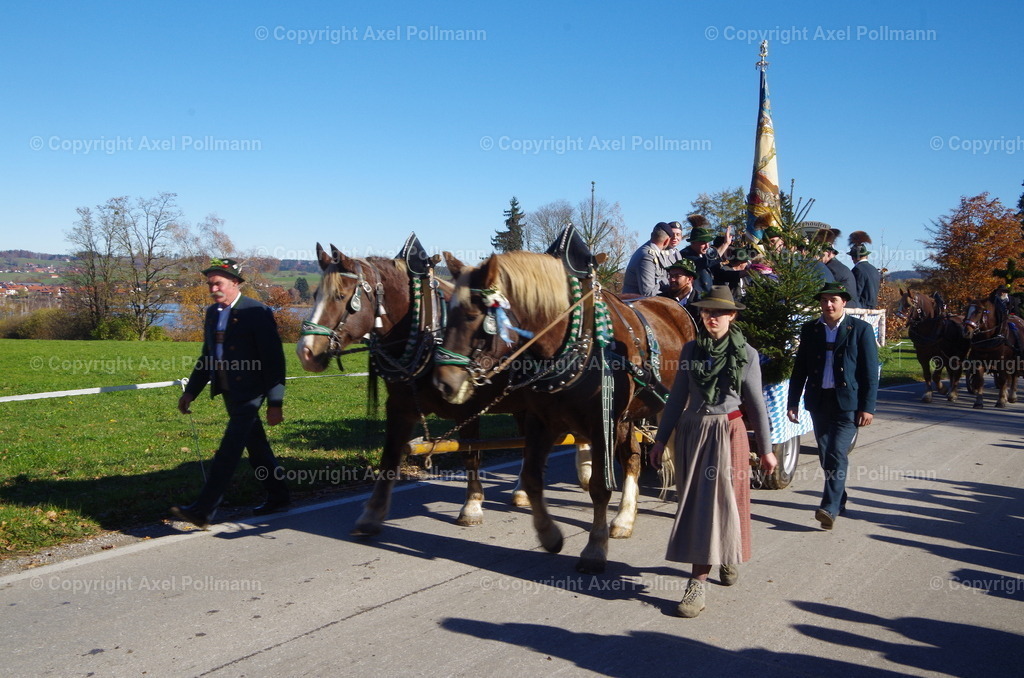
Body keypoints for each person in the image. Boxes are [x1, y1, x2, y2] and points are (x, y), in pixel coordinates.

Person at [648, 285, 778, 618]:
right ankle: (710, 569)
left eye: (719, 313)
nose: (712, 318)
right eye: (707, 312)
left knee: (725, 503)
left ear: (732, 316)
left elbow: (757, 405)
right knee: (697, 507)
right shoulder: (691, 350)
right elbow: (676, 398)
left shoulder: (746, 354)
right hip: (692, 432)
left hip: (728, 433)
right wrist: (661, 439)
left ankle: (711, 570)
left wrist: (766, 449)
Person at [172, 258, 291, 527]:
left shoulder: (257, 312)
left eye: (219, 283)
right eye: (210, 284)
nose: (214, 288)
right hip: (227, 390)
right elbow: (208, 357)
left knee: (229, 449)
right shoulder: (212, 313)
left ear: (235, 283)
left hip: (251, 391)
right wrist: (191, 391)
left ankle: (203, 510)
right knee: (256, 446)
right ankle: (279, 495)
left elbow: (274, 360)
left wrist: (275, 402)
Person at [786, 281, 878, 530]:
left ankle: (829, 507)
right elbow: (800, 368)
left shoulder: (860, 329)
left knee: (837, 452)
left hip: (848, 404)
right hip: (818, 401)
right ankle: (840, 496)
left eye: (833, 300)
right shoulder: (810, 330)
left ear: (843, 302)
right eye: (824, 300)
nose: (828, 305)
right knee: (826, 455)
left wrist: (867, 407)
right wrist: (792, 401)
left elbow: (870, 372)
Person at [622, 222, 673, 296]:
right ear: (666, 241)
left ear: (652, 235)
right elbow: (648, 293)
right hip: (635, 304)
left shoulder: (651, 252)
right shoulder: (647, 256)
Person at [814, 228, 860, 308]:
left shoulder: (831, 269)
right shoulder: (836, 266)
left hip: (846, 308)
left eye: (819, 253)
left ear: (828, 253)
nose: (817, 256)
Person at [848, 231, 880, 309]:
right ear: (866, 256)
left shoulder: (857, 270)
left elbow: (856, 293)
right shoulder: (874, 270)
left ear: (853, 258)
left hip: (861, 309)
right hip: (873, 308)